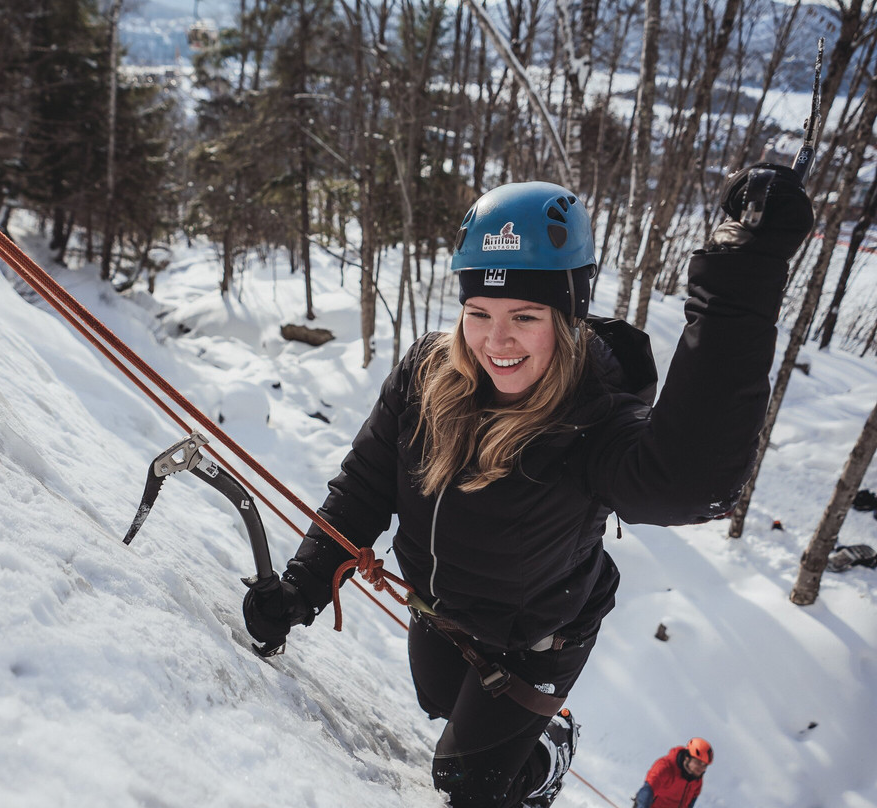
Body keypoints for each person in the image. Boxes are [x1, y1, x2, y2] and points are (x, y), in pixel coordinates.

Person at [243, 167, 813, 807]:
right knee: (436, 700)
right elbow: (366, 485)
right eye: (477, 312)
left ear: (568, 316)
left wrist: (741, 281)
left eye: (525, 315)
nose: (495, 340)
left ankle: (546, 753)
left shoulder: (593, 420)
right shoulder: (426, 374)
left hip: (536, 639)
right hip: (444, 608)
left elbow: (688, 484)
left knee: (470, 786)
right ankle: (525, 730)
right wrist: (302, 586)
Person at [633, 738, 713, 808]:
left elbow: (690, 802)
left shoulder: (697, 779)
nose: (701, 768)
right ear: (687, 757)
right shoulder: (665, 767)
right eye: (698, 762)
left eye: (705, 765)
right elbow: (647, 791)